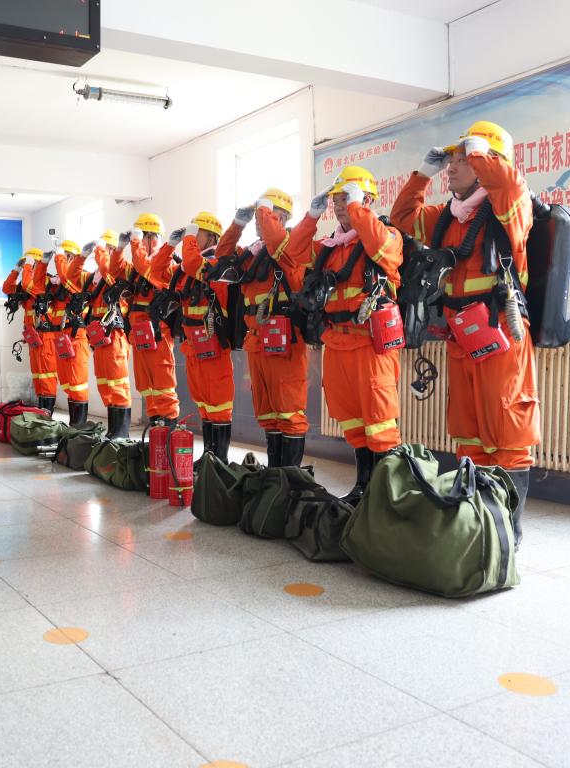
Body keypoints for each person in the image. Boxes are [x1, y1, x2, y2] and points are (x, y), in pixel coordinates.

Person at [390, 120, 537, 546]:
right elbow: (402, 218)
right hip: (462, 339)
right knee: (469, 436)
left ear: (488, 160)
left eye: (462, 160)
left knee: (507, 433)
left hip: (501, 334)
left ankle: (508, 534)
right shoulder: (446, 218)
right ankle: (476, 526)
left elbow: (505, 181)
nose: (452, 168)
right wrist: (423, 174)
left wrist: (478, 150)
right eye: (451, 160)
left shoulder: (510, 205)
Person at [283, 166, 404, 502]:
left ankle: (384, 497)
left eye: (345, 198)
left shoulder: (387, 236)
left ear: (366, 200)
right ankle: (363, 487)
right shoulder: (330, 247)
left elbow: (379, 245)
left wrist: (356, 208)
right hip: (336, 343)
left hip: (370, 345)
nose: (338, 205)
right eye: (336, 199)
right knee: (353, 422)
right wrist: (311, 217)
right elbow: (293, 254)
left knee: (380, 423)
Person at [216, 188, 308, 467]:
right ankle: (274, 473)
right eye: (259, 215)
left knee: (289, 411)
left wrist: (262, 210)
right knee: (267, 412)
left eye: (265, 214)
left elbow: (276, 241)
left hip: (285, 341)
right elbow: (222, 255)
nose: (260, 219)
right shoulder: (252, 255)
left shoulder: (292, 247)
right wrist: (238, 225)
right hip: (257, 341)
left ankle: (288, 476)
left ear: (283, 217)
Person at [146, 212, 234, 461]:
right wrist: (170, 245)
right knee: (203, 403)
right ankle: (208, 456)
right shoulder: (186, 269)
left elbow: (196, 264)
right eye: (191, 235)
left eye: (197, 234)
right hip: (194, 345)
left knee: (218, 404)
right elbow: (156, 272)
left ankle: (219, 461)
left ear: (212, 237)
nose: (192, 238)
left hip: (214, 344)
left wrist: (188, 240)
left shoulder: (217, 264)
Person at [110, 214, 180, 424]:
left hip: (158, 334)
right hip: (139, 334)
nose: (144, 242)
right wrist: (119, 248)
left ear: (155, 238)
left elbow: (148, 268)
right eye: (142, 237)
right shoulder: (137, 269)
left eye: (147, 237)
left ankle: (169, 431)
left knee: (163, 385)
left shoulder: (166, 266)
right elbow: (115, 270)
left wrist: (135, 242)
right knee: (146, 386)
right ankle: (155, 431)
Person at [31, 240, 91, 425]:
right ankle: (73, 427)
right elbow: (35, 286)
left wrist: (58, 256)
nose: (62, 260)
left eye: (66, 257)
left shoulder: (81, 277)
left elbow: (68, 277)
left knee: (77, 384)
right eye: (62, 257)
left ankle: (78, 427)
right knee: (68, 384)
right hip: (60, 338)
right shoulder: (55, 284)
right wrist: (42, 264)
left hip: (75, 337)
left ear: (72, 257)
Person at [82, 230, 133, 438]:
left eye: (105, 249)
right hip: (99, 338)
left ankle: (121, 434)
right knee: (105, 386)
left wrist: (101, 250)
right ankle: (114, 432)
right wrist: (80, 257)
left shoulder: (118, 272)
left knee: (117, 386)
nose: (101, 253)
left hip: (115, 337)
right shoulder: (95, 278)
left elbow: (108, 268)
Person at [3, 248, 57, 413]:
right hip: (34, 337)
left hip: (46, 337)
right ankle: (40, 413)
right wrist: (16, 270)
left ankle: (47, 415)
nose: (29, 268)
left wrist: (28, 266)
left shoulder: (46, 282)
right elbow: (7, 288)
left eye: (31, 264)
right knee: (38, 376)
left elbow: (29, 285)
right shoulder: (25, 286)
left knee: (46, 376)